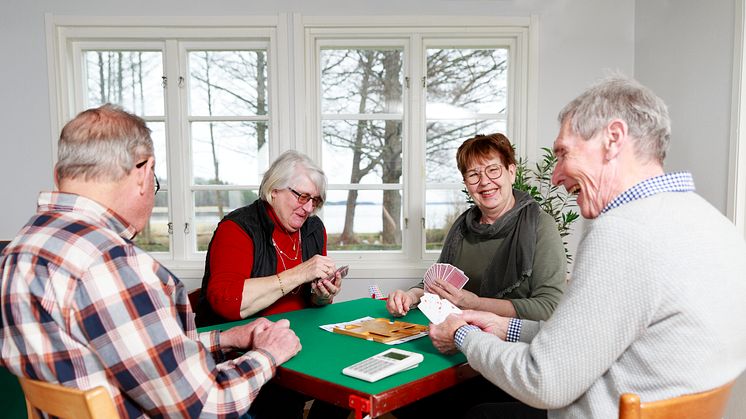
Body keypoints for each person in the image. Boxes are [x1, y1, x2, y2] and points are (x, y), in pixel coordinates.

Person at [429, 75, 746, 418]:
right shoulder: (712, 221)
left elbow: (543, 382)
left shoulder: (624, 231)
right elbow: (587, 337)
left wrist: (463, 335)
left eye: (563, 152)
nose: (555, 176)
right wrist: (506, 327)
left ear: (613, 139)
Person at [0, 104, 301, 418]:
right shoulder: (111, 265)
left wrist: (227, 338)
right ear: (144, 172)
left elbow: (130, 348)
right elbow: (207, 405)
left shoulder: (21, 249)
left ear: (59, 174)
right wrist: (268, 354)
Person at [387, 133, 567, 418]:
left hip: (513, 358)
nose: (484, 182)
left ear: (511, 171)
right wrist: (412, 295)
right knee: (408, 401)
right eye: (473, 175)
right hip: (458, 346)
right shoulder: (462, 227)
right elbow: (436, 283)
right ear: (466, 184)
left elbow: (549, 309)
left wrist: (474, 303)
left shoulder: (540, 227)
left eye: (493, 169)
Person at [196, 150, 347, 419]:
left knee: (346, 380)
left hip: (298, 338)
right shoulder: (238, 228)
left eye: (315, 200)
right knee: (284, 398)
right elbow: (227, 303)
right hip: (239, 348)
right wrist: (300, 273)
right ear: (274, 189)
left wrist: (323, 295)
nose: (309, 208)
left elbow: (311, 301)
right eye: (302, 196)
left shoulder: (313, 229)